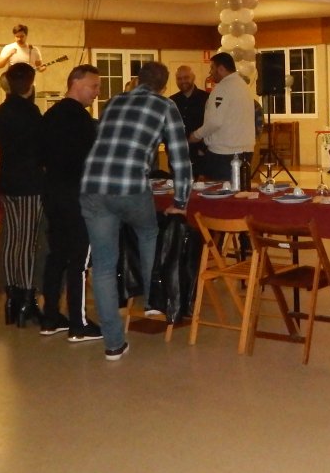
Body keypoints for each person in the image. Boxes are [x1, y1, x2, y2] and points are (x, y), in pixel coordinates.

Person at [80, 61, 191, 361]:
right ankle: (152, 299)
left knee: (103, 266)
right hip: (130, 185)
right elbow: (180, 158)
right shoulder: (165, 106)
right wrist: (181, 202)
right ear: (164, 86)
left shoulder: (114, 101)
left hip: (93, 185)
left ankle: (114, 344)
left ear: (137, 80)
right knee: (148, 231)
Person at [39, 64, 102, 341]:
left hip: (53, 194)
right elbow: (91, 161)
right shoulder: (81, 120)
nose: (96, 93)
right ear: (76, 83)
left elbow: (41, 156)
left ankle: (50, 317)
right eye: (94, 86)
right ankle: (78, 323)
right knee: (78, 259)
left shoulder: (50, 115)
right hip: (76, 196)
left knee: (57, 255)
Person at [0, 63, 45, 328]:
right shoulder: (30, 111)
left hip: (6, 180)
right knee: (28, 243)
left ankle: (11, 299)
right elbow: (41, 148)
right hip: (28, 183)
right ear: (30, 84)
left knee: (12, 239)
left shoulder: (0, 111)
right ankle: (26, 300)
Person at [189, 54, 256, 182]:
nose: (210, 72)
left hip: (225, 154)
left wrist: (196, 135)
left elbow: (215, 121)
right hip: (245, 151)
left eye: (212, 68)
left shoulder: (222, 88)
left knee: (221, 191)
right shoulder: (243, 86)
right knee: (239, 189)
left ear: (221, 69)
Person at [170, 65, 209, 174]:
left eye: (186, 77)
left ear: (193, 77)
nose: (183, 81)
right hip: (177, 156)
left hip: (202, 157)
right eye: (179, 78)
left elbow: (211, 126)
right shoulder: (171, 101)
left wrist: (203, 149)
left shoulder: (206, 98)